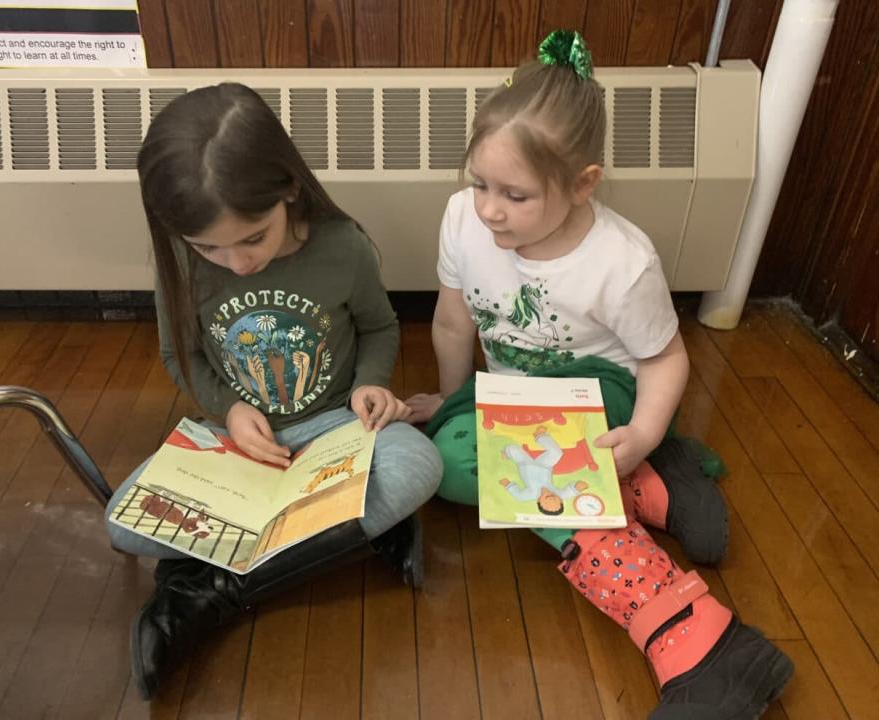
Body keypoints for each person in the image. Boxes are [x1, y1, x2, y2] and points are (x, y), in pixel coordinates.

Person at [406, 30, 792, 719]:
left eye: (515, 195)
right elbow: (452, 321)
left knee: (508, 471)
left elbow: (665, 358)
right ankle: (648, 486)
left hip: (601, 390)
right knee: (449, 463)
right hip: (516, 397)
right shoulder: (464, 221)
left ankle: (694, 634)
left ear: (582, 184)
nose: (490, 208)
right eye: (479, 183)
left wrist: (642, 430)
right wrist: (452, 397)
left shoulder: (622, 261)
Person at [105, 83, 442, 700]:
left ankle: (211, 589)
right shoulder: (177, 263)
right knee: (123, 524)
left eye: (253, 238)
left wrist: (370, 386)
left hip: (336, 429)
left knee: (420, 464)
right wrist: (231, 411)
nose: (235, 262)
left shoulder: (343, 248)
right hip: (237, 443)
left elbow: (379, 326)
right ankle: (352, 534)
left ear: (288, 189)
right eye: (209, 247)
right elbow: (177, 356)